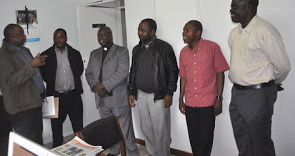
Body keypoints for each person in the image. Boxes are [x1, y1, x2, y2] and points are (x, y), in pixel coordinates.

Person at [228, 0, 291, 156]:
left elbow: (283, 66)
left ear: (248, 8)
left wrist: (270, 83)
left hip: (257, 94)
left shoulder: (265, 30)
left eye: (235, 6)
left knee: (261, 144)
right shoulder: (235, 33)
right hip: (237, 94)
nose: (231, 10)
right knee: (243, 141)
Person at [85, 26, 139, 156]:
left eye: (103, 35)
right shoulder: (94, 53)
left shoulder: (121, 51)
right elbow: (88, 73)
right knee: (109, 130)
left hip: (118, 98)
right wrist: (95, 85)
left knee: (125, 130)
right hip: (102, 99)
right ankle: (114, 151)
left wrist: (103, 85)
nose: (101, 38)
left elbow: (123, 72)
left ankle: (132, 153)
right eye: (99, 36)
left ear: (110, 35)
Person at [128, 18, 179, 156]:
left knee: (161, 131)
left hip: (158, 96)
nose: (140, 33)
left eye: (143, 30)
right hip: (141, 94)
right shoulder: (136, 49)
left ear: (152, 32)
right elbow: (133, 71)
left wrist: (169, 93)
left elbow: (173, 71)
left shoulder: (164, 47)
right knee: (146, 129)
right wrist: (131, 91)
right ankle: (153, 153)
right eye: (139, 30)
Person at [178, 20, 229, 156]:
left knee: (206, 140)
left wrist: (219, 98)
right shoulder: (183, 53)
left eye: (187, 30)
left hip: (207, 102)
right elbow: (183, 77)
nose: (183, 33)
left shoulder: (212, 48)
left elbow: (220, 73)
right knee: (193, 138)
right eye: (183, 29)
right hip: (190, 103)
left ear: (198, 33)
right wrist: (180, 99)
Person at [0, 24, 46, 145]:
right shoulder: (2, 56)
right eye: (21, 35)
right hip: (21, 108)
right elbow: (11, 80)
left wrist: (38, 64)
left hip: (34, 102)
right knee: (27, 144)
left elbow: (30, 74)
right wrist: (32, 65)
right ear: (12, 38)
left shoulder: (24, 50)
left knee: (38, 138)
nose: (24, 37)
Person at [40, 28, 84, 148]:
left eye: (61, 37)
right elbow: (44, 75)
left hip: (73, 96)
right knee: (56, 127)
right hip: (54, 97)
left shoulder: (75, 53)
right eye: (56, 37)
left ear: (66, 38)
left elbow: (79, 70)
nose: (58, 39)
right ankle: (57, 149)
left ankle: (81, 149)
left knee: (78, 125)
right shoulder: (46, 55)